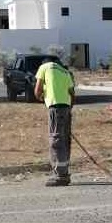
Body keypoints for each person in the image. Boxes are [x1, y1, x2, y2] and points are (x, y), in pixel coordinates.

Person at [34, 58, 76, 186]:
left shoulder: (45, 67)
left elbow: (37, 91)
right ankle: (65, 172)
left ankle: (60, 175)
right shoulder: (65, 71)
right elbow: (72, 94)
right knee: (65, 140)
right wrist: (68, 110)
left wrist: (42, 97)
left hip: (55, 108)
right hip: (66, 108)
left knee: (56, 140)